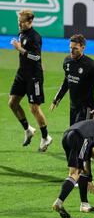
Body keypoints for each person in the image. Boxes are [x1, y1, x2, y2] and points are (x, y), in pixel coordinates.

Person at [50, 34, 94, 181]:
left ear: (83, 47)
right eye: (70, 48)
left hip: (87, 109)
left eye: (75, 49)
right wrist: (57, 98)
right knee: (78, 141)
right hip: (73, 108)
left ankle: (79, 176)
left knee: (79, 141)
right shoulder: (67, 61)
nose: (72, 51)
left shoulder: (91, 65)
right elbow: (67, 81)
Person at [8, 9, 52, 152]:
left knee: (34, 108)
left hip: (34, 77)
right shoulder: (21, 33)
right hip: (22, 74)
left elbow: (36, 56)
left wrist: (20, 49)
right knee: (13, 103)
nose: (19, 25)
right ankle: (28, 129)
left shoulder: (35, 37)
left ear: (30, 22)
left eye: (22, 22)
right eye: (18, 22)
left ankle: (46, 137)